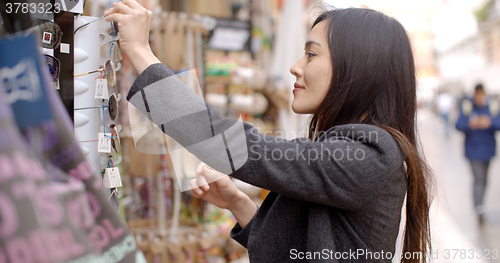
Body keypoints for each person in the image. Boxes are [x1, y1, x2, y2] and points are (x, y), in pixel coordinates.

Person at [105, 2, 433, 262]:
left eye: (311, 54)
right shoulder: (351, 149)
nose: (295, 66)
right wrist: (237, 203)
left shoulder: (369, 152)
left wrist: (140, 51)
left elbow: (226, 140)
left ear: (357, 68)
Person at [456, 84, 500, 225]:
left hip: (488, 149)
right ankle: (479, 208)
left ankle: (480, 205)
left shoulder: (492, 106)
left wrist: (489, 122)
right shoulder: (467, 106)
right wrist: (471, 124)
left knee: (485, 179)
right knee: (479, 178)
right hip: (473, 150)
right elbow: (458, 124)